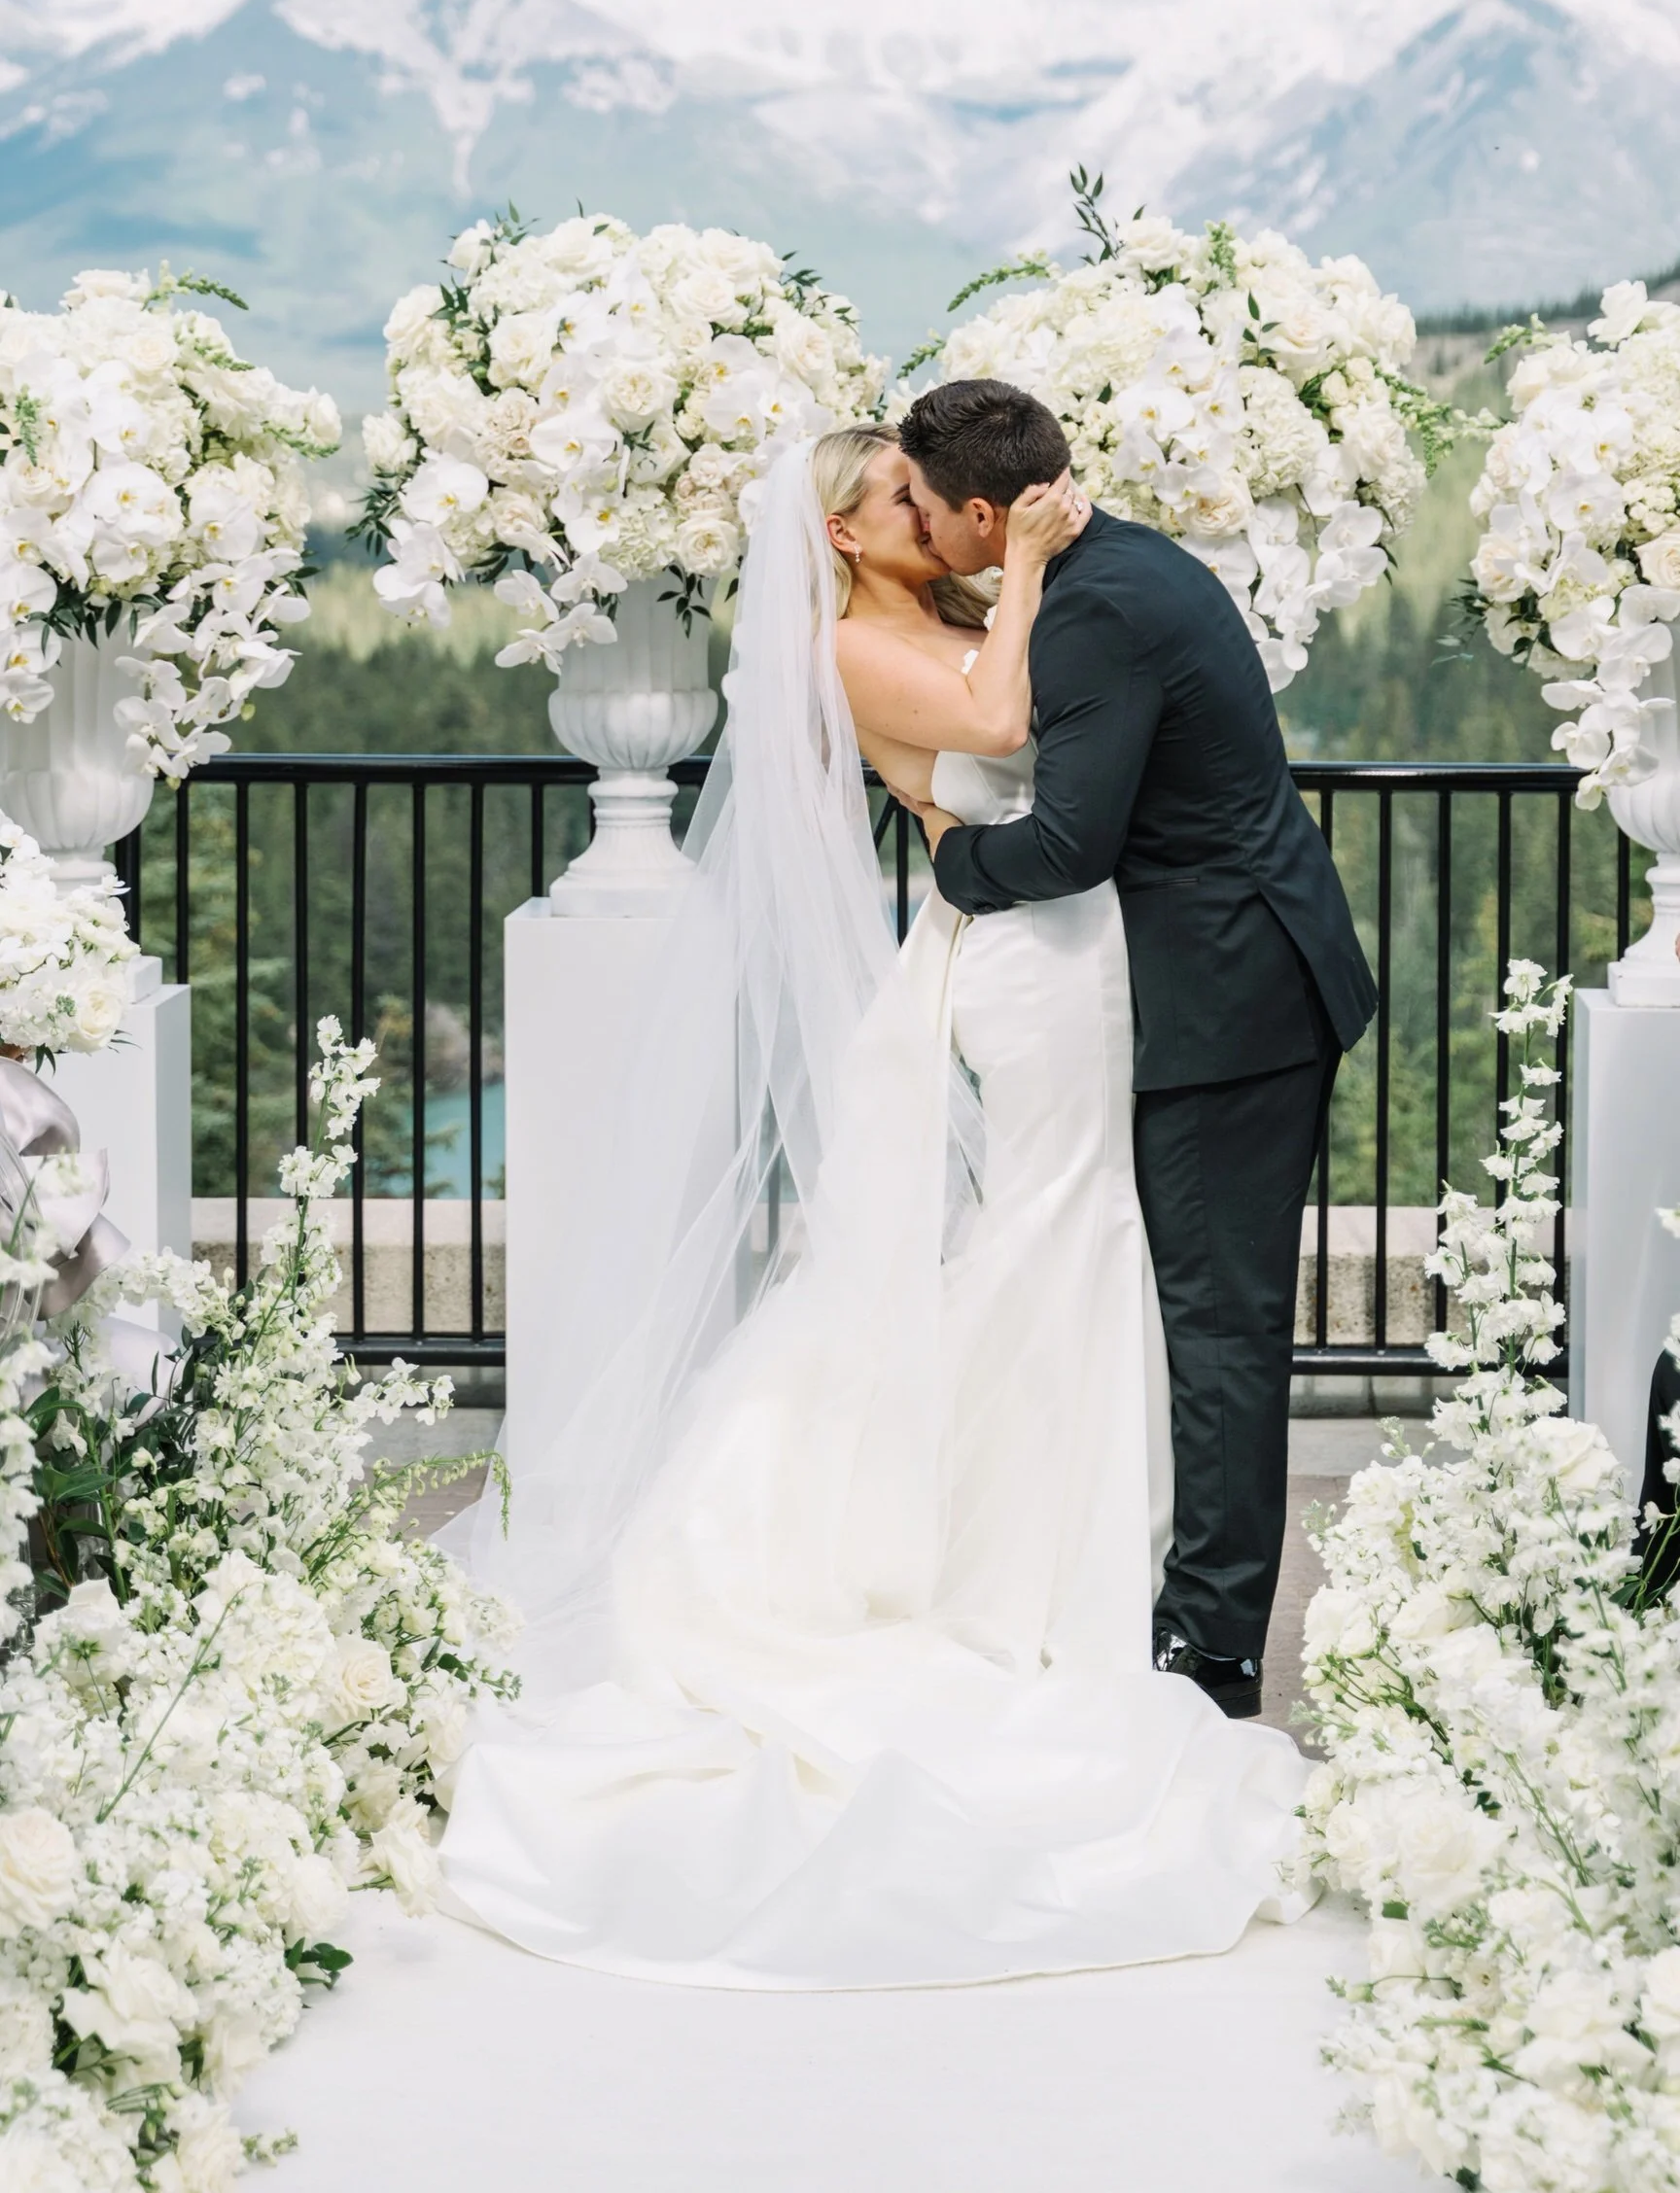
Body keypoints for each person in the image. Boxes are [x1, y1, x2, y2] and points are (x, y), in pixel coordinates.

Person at [438, 422, 1309, 1989]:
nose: (939, 515)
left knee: (1068, 1241)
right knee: (1057, 1235)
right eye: (904, 499)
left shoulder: (958, 616)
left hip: (1078, 954)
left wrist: (1027, 589)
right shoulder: (863, 652)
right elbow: (995, 725)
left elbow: (1059, 728)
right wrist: (1035, 562)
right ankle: (1001, 1564)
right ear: (844, 536)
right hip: (1028, 969)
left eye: (935, 493)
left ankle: (1063, 1551)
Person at [902, 378, 1378, 1721]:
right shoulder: (1114, 562)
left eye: (934, 518)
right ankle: (1171, 1604)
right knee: (1196, 1317)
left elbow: (1067, 847)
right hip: (1221, 982)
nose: (927, 538)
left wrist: (943, 851)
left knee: (1219, 1327)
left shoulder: (1097, 610)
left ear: (990, 514)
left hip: (1236, 1005)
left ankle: (1216, 1656)